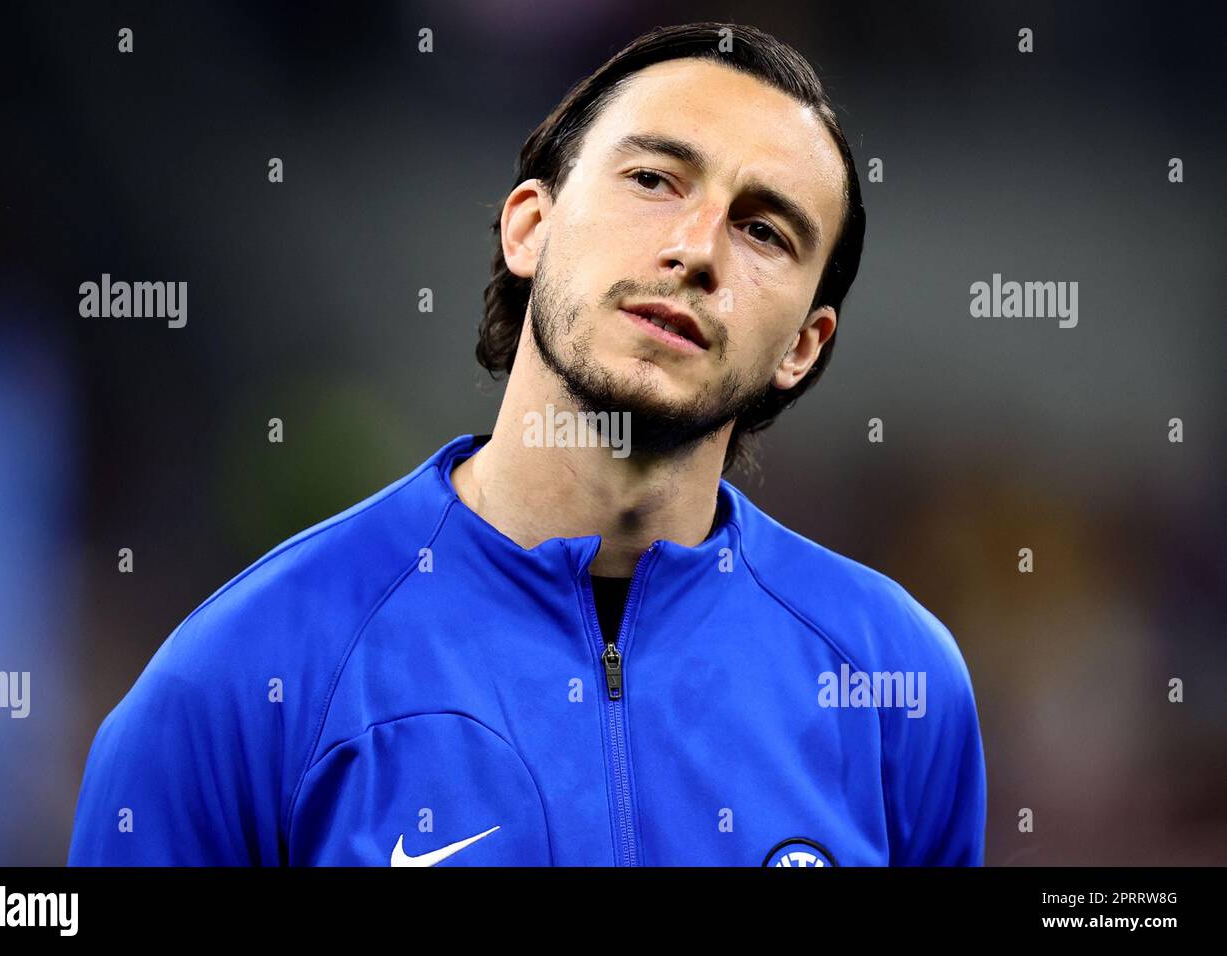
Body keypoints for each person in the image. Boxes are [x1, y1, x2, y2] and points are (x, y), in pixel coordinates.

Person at [69, 21, 985, 867]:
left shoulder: (894, 682)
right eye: (654, 179)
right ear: (530, 228)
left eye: (763, 230)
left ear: (803, 346)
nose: (698, 248)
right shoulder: (244, 675)